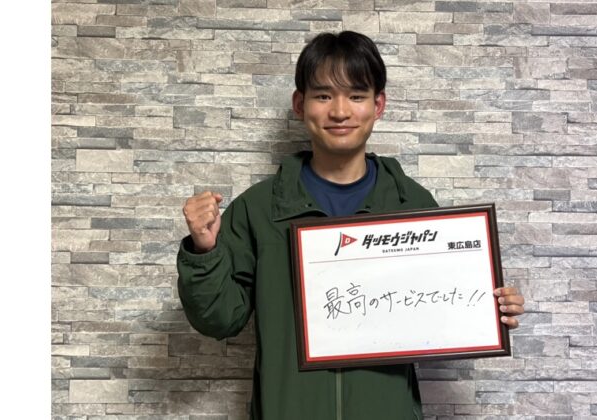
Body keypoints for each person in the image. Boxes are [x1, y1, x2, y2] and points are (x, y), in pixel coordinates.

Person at [177, 31, 525, 420]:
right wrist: (204, 252)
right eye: (324, 96)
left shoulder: (411, 203)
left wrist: (489, 307)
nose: (340, 112)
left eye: (357, 96)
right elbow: (220, 319)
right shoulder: (258, 209)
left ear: (378, 105)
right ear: (300, 104)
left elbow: (438, 308)